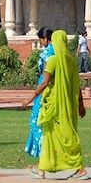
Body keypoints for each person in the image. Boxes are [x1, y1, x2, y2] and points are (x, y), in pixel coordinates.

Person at [25, 30, 87, 180]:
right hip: (68, 105)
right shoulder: (71, 62)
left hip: (53, 105)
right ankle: (43, 168)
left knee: (58, 137)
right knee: (59, 136)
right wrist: (81, 104)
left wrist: (30, 98)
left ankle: (79, 169)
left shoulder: (52, 60)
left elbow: (45, 82)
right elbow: (77, 85)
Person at [24, 27, 54, 159]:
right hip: (51, 89)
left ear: (46, 39)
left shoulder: (48, 53)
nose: (41, 43)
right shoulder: (57, 51)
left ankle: (44, 154)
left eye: (41, 40)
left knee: (36, 122)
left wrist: (30, 98)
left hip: (44, 89)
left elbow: (45, 79)